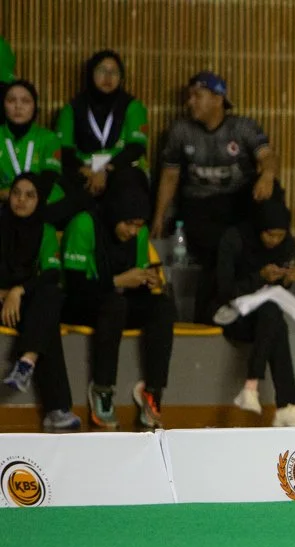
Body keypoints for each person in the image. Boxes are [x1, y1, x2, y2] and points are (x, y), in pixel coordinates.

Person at [151, 71, 279, 323]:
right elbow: (170, 176)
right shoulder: (181, 131)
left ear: (218, 99)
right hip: (198, 206)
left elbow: (267, 156)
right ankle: (209, 314)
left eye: (197, 96)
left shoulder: (242, 127)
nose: (190, 102)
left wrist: (268, 174)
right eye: (189, 97)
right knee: (219, 248)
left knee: (271, 196)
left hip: (237, 202)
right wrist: (158, 217)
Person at [61, 166, 175, 430]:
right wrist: (117, 282)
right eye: (128, 224)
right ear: (115, 213)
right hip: (79, 301)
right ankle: (102, 389)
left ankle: (153, 391)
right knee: (114, 303)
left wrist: (147, 281)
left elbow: (136, 285)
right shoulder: (84, 224)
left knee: (161, 306)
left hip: (117, 302)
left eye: (139, 225)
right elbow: (75, 285)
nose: (134, 231)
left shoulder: (140, 233)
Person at [213, 194, 295, 427]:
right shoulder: (235, 239)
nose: (275, 241)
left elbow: (277, 288)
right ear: (259, 229)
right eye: (270, 234)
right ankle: (285, 405)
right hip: (232, 313)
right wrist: (259, 277)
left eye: (280, 235)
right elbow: (224, 290)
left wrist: (287, 279)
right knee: (275, 320)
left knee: (272, 313)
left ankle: (253, 388)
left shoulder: (287, 244)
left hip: (263, 316)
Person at [0, 174, 78, 431]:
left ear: (39, 200)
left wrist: (18, 291)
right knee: (47, 321)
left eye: (29, 195)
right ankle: (57, 408)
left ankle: (26, 362)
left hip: (22, 303)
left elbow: (52, 273)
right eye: (16, 193)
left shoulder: (44, 230)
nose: (21, 200)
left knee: (50, 296)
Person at [55, 50, 150, 205]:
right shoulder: (72, 109)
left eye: (114, 72)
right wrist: (86, 171)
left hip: (121, 170)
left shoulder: (133, 107)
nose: (108, 77)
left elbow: (136, 148)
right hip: (84, 173)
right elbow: (64, 151)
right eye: (102, 70)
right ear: (90, 74)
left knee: (130, 182)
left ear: (121, 77)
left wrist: (105, 171)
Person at [0, 80, 65, 216]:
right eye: (11, 100)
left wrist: (18, 195)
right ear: (3, 105)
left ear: (35, 106)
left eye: (25, 101)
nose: (18, 106)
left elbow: (49, 178)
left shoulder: (49, 138)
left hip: (45, 205)